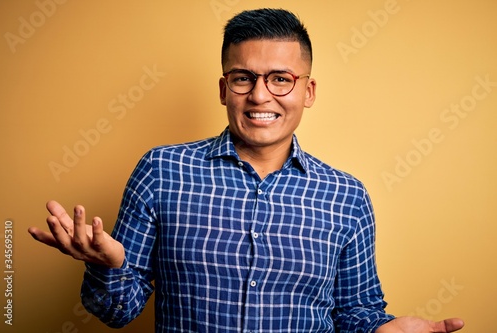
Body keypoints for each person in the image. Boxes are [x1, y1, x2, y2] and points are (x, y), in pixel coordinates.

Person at [28, 8, 464, 333]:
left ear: (308, 91)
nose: (260, 96)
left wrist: (381, 329)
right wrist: (110, 266)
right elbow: (117, 312)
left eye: (280, 79)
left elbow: (356, 312)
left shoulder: (347, 196)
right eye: (243, 78)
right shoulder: (161, 170)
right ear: (224, 89)